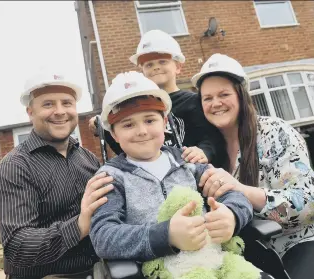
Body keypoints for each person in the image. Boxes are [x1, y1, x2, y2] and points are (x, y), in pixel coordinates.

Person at [89, 71, 274, 279]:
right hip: (161, 271)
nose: (142, 131)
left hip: (217, 261)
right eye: (128, 124)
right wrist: (166, 235)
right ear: (114, 134)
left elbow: (233, 194)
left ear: (165, 122)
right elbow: (103, 236)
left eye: (150, 120)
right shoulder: (111, 177)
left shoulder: (188, 161)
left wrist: (231, 215)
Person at [193, 53, 314, 279]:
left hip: (297, 242)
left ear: (241, 95)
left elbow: (308, 205)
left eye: (224, 94)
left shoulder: (277, 133)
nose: (215, 103)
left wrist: (240, 190)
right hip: (240, 256)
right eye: (207, 98)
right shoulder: (204, 152)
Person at [0, 69, 114, 279]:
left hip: (96, 272)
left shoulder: (88, 159)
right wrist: (79, 225)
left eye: (67, 103)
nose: (59, 111)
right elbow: (17, 246)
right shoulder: (15, 166)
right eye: (48, 104)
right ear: (30, 112)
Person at [89, 30, 226, 167]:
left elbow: (210, 137)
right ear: (142, 70)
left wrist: (204, 151)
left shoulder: (193, 101)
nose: (156, 67)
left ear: (178, 67)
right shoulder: (135, 107)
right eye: (149, 65)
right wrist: (103, 127)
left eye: (162, 61)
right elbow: (124, 148)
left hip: (191, 172)